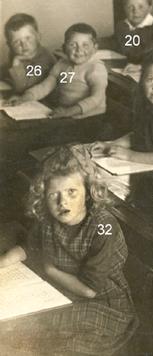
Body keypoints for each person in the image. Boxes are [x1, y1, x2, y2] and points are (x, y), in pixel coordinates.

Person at [0, 146, 136, 354]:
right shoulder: (48, 218)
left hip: (103, 303)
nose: (62, 202)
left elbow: (89, 290)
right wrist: (5, 262)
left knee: (37, 332)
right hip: (61, 292)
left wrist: (50, 270)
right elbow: (31, 247)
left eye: (72, 192)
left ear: (89, 191)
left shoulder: (104, 225)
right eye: (54, 194)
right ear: (44, 195)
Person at [10, 23, 107, 124]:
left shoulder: (96, 68)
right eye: (72, 45)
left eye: (85, 45)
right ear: (64, 48)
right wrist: (25, 98)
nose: (79, 50)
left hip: (90, 119)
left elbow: (96, 98)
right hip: (66, 115)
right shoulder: (62, 64)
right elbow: (45, 86)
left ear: (95, 48)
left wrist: (68, 112)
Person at [2, 13, 56, 93]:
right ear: (9, 45)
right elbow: (5, 69)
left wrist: (16, 63)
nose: (23, 45)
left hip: (43, 101)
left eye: (28, 38)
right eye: (16, 42)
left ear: (38, 37)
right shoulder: (19, 54)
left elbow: (23, 89)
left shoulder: (45, 59)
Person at [113, 0, 153, 65]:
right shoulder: (122, 26)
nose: (135, 11)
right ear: (124, 9)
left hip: (149, 66)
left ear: (149, 8)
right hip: (127, 66)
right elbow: (114, 42)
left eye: (141, 7)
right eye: (130, 7)